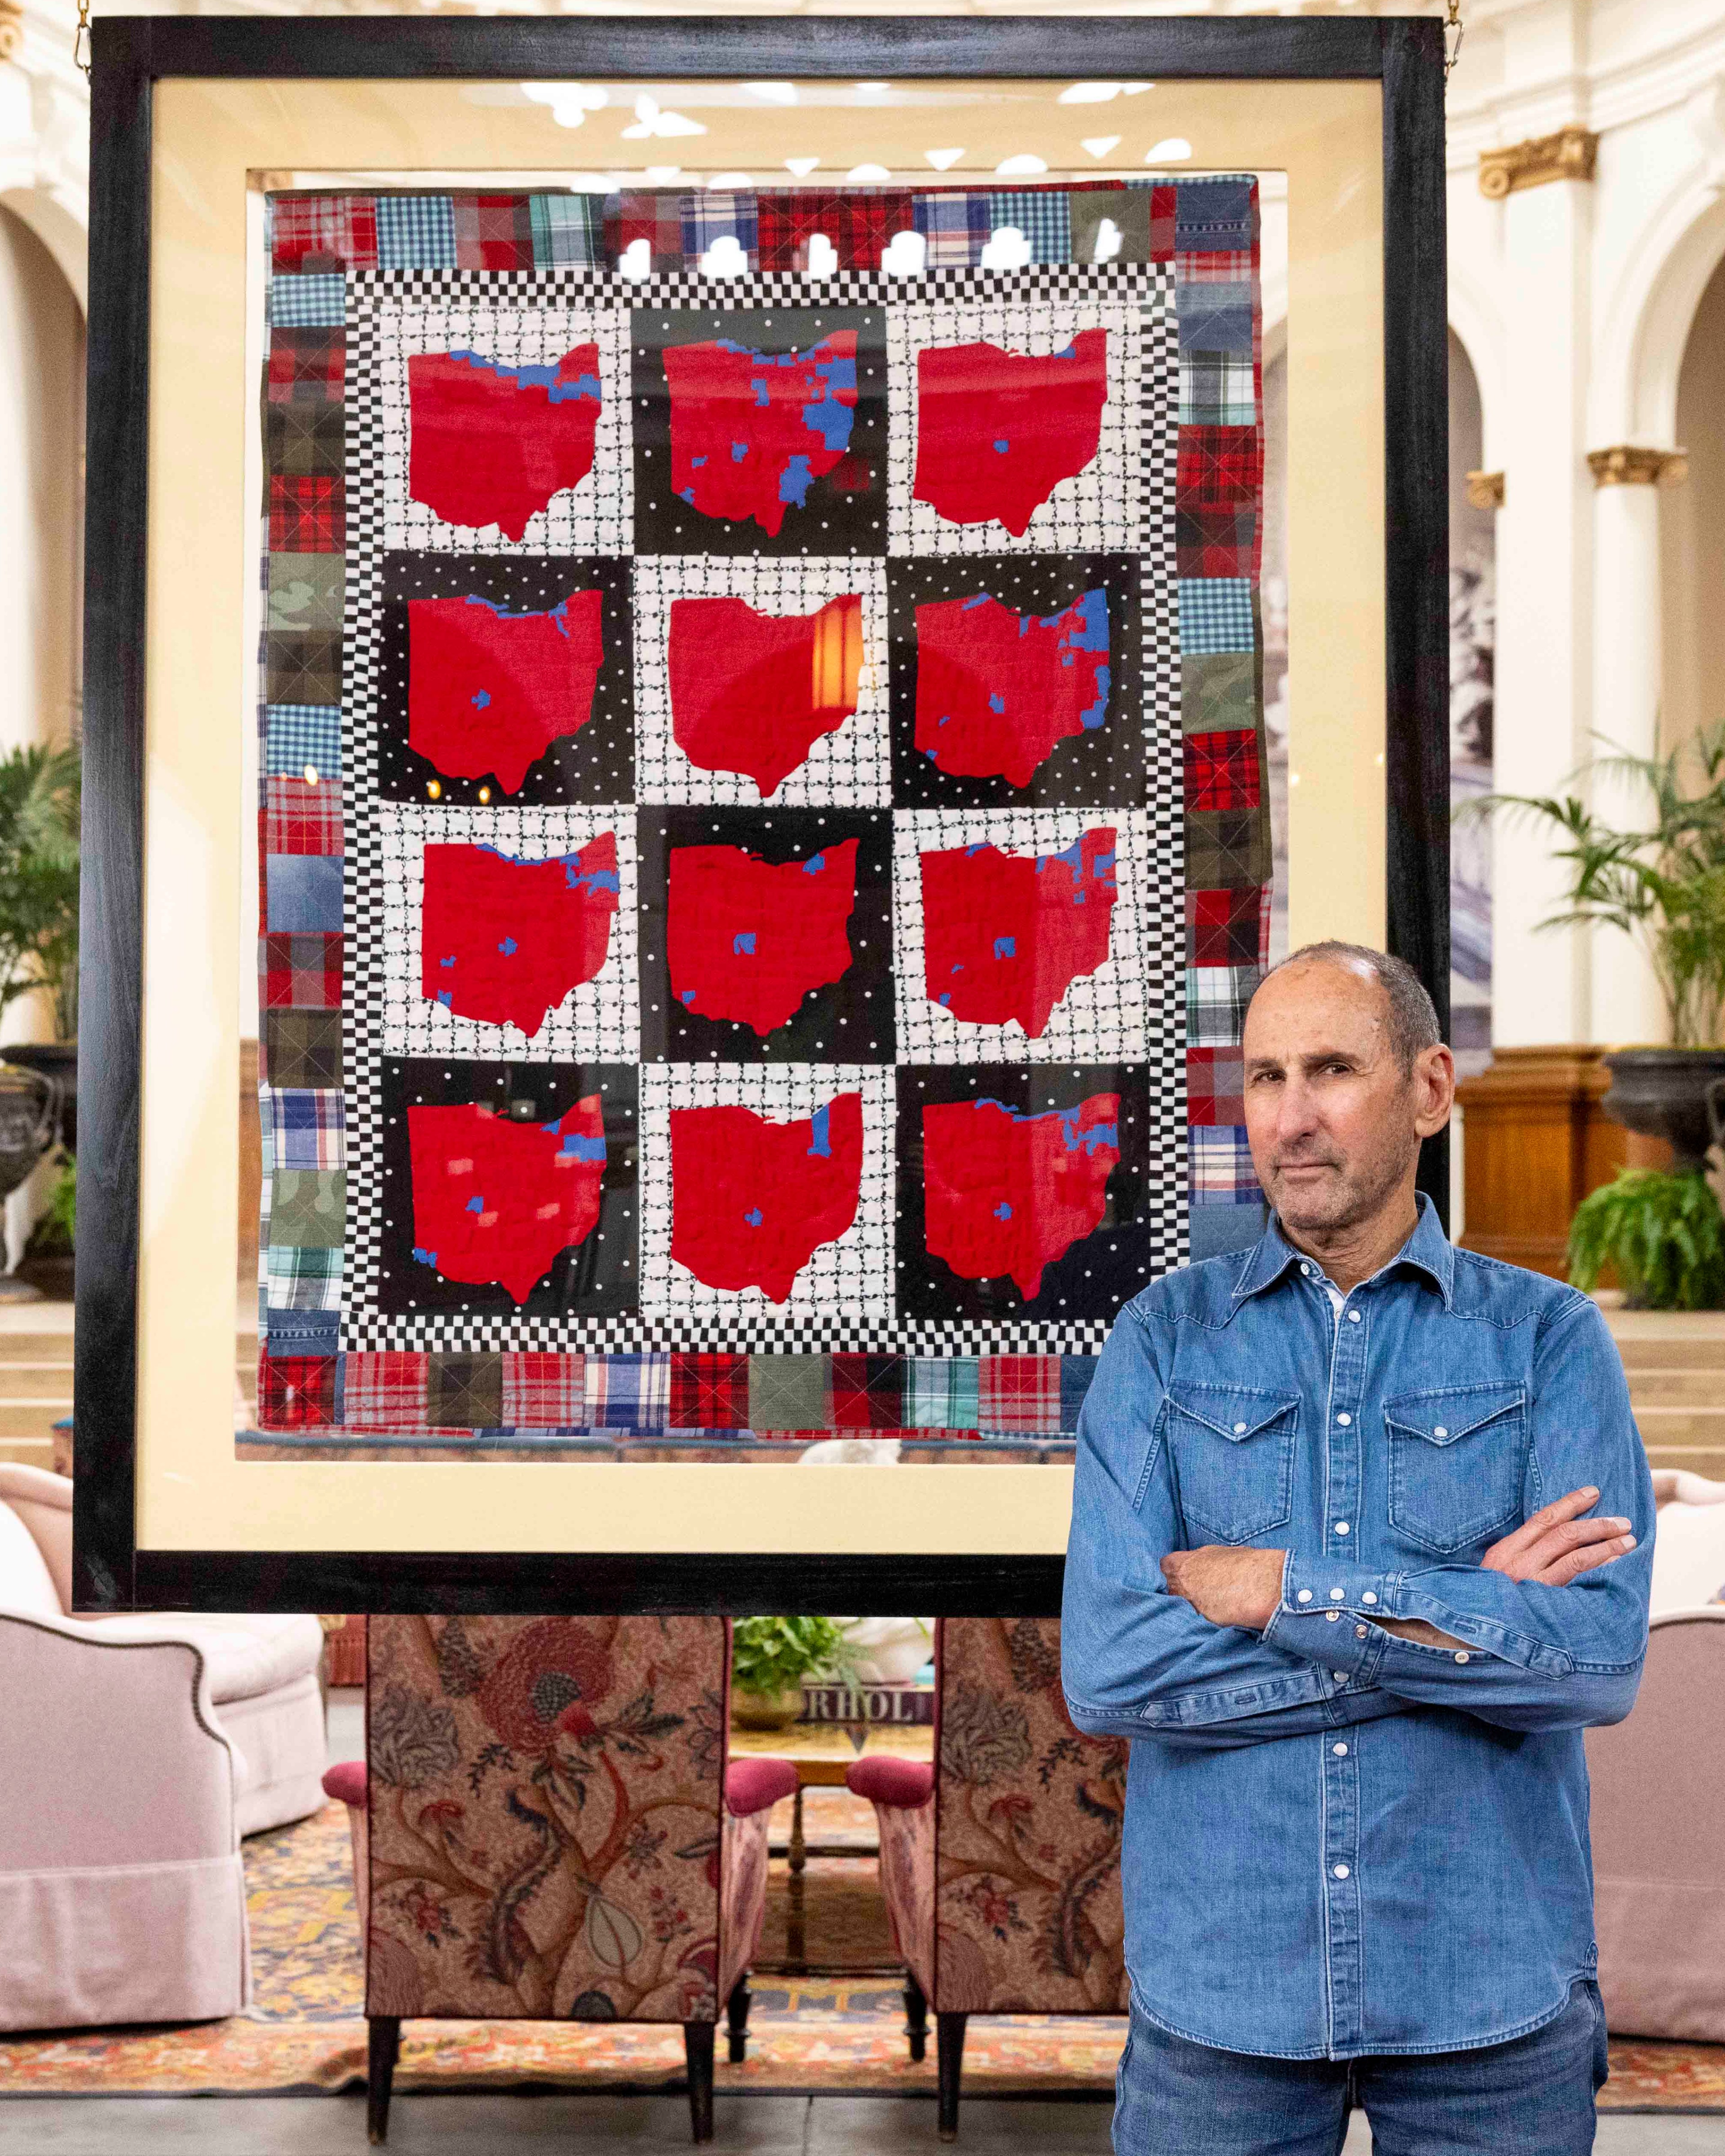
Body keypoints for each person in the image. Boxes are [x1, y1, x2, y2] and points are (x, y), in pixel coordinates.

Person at [1062, 942, 1654, 2156]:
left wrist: (1281, 1588)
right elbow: (1112, 1669)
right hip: (1224, 2000)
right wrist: (1463, 1624)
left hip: (1489, 1990)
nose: (1291, 1117)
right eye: (1267, 1077)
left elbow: (1593, 1663)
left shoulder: (1550, 1343)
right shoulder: (1163, 1345)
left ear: (1431, 1089)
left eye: (1331, 1069)